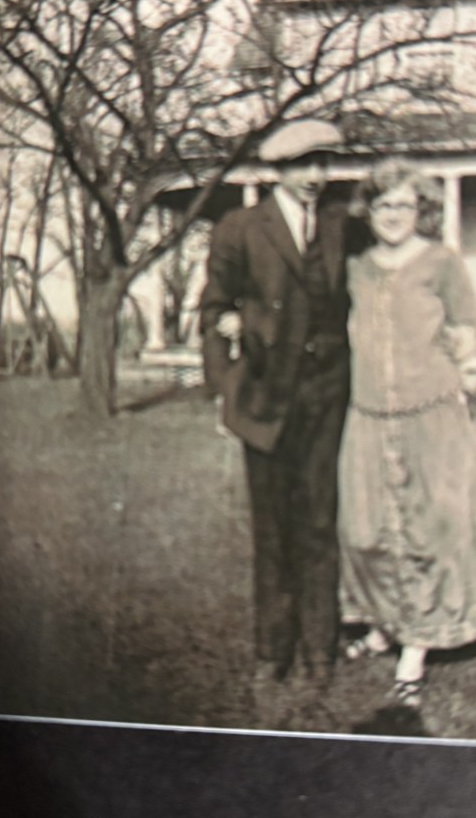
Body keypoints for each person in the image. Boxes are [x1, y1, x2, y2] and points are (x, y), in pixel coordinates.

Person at [338, 157, 476, 709]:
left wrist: (445, 366)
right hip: (368, 415)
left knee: (432, 528)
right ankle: (385, 624)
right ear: (368, 211)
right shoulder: (356, 268)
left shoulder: (442, 262)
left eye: (405, 205)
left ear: (422, 210)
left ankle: (416, 648)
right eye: (383, 204)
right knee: (366, 529)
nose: (394, 215)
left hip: (430, 414)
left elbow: (466, 328)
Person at [200, 119, 356, 691]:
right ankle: (273, 650)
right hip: (264, 397)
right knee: (272, 527)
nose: (315, 176)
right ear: (278, 171)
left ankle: (320, 651)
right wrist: (226, 389)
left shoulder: (342, 225)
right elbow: (213, 310)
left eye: (322, 164)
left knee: (318, 521)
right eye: (302, 165)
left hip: (326, 395)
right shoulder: (240, 228)